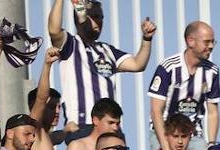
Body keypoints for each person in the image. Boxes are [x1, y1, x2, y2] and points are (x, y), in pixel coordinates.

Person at [46, 0, 154, 137]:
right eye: (95, 17)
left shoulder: (106, 50)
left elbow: (138, 64)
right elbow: (54, 30)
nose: (100, 21)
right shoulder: (70, 44)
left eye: (101, 17)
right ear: (80, 17)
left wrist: (147, 39)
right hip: (82, 126)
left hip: (111, 128)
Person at [147, 21, 219, 150]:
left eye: (213, 42)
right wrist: (165, 146)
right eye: (206, 42)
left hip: (194, 136)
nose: (210, 46)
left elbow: (213, 112)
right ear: (190, 41)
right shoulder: (168, 67)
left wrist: (211, 144)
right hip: (165, 133)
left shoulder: (212, 71)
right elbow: (156, 110)